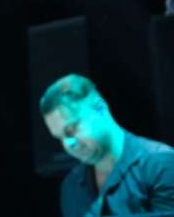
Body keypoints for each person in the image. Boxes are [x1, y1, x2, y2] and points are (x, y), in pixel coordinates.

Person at [41, 73, 174, 217]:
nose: (68, 143)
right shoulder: (71, 186)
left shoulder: (161, 163)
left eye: (71, 129)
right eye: (60, 137)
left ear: (99, 108)